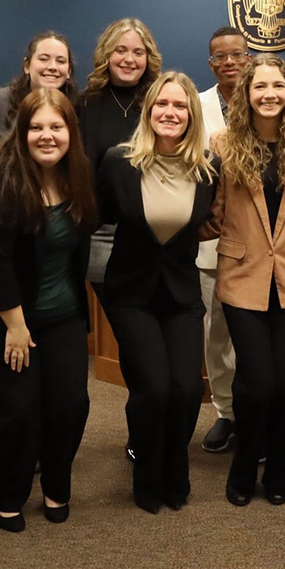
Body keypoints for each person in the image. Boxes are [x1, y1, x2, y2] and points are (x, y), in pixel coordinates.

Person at [0, 88, 97, 531]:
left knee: (70, 404)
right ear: (20, 132)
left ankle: (57, 486)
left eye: (56, 127)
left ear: (70, 133)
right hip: (7, 319)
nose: (46, 136)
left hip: (63, 316)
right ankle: (8, 493)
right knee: (17, 411)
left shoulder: (76, 176)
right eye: (36, 127)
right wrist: (16, 327)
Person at [202, 54, 285, 507]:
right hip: (241, 275)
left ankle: (278, 465)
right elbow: (212, 213)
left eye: (277, 86)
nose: (269, 94)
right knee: (256, 383)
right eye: (260, 87)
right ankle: (245, 462)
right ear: (246, 94)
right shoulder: (223, 143)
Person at [96, 72, 219, 513]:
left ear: (192, 114)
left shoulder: (208, 167)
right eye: (162, 104)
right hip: (131, 293)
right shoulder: (118, 161)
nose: (170, 112)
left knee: (187, 390)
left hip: (182, 293)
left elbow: (207, 223)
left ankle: (175, 466)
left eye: (180, 106)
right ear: (149, 111)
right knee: (153, 388)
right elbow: (93, 216)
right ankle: (147, 469)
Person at [77, 17, 162, 464]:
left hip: (159, 237)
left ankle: (146, 426)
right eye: (121, 51)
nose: (129, 59)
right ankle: (143, 429)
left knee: (154, 343)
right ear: (105, 55)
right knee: (134, 340)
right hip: (105, 238)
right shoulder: (85, 103)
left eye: (138, 52)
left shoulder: (161, 100)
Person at [197, 26, 249, 453]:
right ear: (211, 62)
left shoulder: (268, 98)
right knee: (217, 332)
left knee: (258, 332)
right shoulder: (195, 106)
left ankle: (258, 410)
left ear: (248, 58)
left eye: (237, 55)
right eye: (220, 57)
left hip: (262, 241)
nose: (229, 62)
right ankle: (226, 412)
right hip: (212, 241)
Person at [0, 31, 78, 143]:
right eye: (44, 59)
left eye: (60, 61)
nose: (53, 67)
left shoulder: (80, 109)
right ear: (27, 66)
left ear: (69, 70)